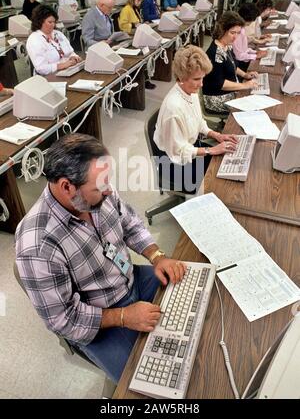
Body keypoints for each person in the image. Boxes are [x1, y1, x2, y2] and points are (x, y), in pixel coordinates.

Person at [15, 133, 186, 383]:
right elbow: (62, 319)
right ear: (67, 186)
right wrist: (124, 316)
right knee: (148, 383)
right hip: (99, 318)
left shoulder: (98, 189)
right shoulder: (38, 245)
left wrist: (156, 255)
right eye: (99, 187)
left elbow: (128, 222)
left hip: (131, 278)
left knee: (191, 287)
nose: (109, 190)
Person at [153, 45, 238, 193]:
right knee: (222, 178)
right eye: (197, 79)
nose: (201, 84)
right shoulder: (174, 108)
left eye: (203, 78)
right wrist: (211, 150)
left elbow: (198, 122)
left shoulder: (189, 91)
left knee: (228, 161)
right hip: (175, 163)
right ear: (181, 77)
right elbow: (179, 152)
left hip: (189, 149)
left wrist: (217, 135)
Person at [202, 11, 258, 115]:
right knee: (252, 108)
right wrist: (244, 85)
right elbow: (220, 84)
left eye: (238, 33)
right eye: (232, 33)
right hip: (216, 98)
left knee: (254, 99)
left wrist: (245, 74)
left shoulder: (226, 45)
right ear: (222, 30)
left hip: (228, 91)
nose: (235, 37)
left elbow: (232, 66)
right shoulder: (216, 54)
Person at [26, 4, 81, 75]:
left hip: (68, 70)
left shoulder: (58, 34)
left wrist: (74, 57)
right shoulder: (34, 40)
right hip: (49, 77)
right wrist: (62, 65)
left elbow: (71, 52)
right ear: (40, 21)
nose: (53, 25)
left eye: (54, 22)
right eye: (50, 22)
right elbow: (41, 68)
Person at [233, 3, 267, 71]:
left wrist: (255, 52)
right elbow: (239, 56)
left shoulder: (242, 28)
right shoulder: (238, 31)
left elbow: (244, 49)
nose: (252, 22)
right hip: (240, 64)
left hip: (243, 60)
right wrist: (256, 56)